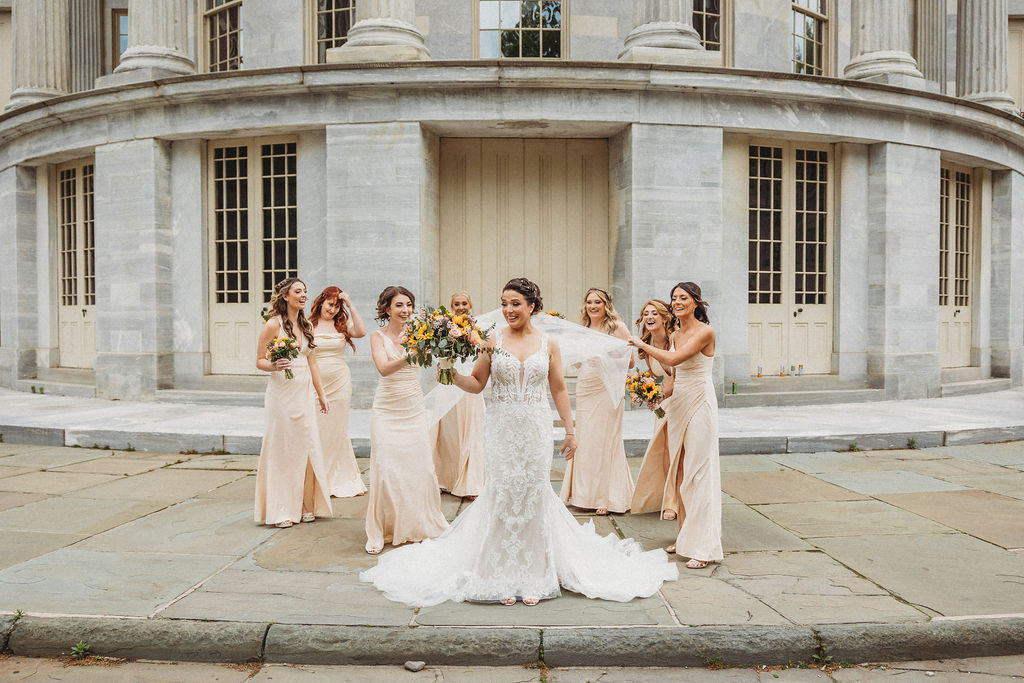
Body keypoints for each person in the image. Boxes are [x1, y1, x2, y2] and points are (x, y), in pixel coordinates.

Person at [360, 278, 678, 606]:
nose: (509, 310)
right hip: (500, 428)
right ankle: (499, 573)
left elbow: (558, 389)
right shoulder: (491, 340)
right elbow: (477, 383)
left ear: (532, 307)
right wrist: (450, 373)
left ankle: (534, 573)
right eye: (505, 303)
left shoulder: (549, 343)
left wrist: (570, 430)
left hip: (536, 429)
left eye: (515, 303)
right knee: (503, 492)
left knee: (532, 494)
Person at [628, 282, 722, 569]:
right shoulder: (676, 333)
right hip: (678, 403)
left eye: (683, 297)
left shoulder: (704, 332)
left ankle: (704, 547)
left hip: (700, 402)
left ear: (696, 302)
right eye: (674, 298)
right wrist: (655, 396)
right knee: (680, 473)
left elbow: (675, 359)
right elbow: (673, 377)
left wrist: (639, 343)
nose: (677, 301)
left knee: (698, 472)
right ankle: (685, 537)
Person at [364, 285, 449, 555]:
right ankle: (382, 530)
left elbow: (431, 360)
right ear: (387, 308)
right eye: (399, 305)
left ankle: (417, 524)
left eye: (409, 305)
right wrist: (410, 355)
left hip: (412, 406)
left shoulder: (419, 333)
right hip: (387, 410)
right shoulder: (377, 337)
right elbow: (384, 368)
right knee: (386, 471)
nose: (406, 310)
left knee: (421, 468)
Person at [254, 277, 333, 528]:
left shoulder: (308, 324)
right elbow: (259, 360)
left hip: (303, 394)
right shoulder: (272, 325)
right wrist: (274, 365)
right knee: (283, 450)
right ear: (285, 296)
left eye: (305, 291)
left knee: (304, 448)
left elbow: (312, 362)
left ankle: (300, 501)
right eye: (298, 291)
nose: (303, 295)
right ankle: (280, 507)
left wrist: (321, 394)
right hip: (281, 395)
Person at [560, 288, 634, 515]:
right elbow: (579, 362)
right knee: (585, 440)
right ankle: (582, 494)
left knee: (605, 440)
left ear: (606, 305)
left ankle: (607, 497)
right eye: (589, 302)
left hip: (606, 388)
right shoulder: (583, 330)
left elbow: (630, 361)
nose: (593, 306)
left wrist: (604, 358)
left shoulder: (617, 328)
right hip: (586, 386)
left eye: (597, 302)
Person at [310, 285, 367, 498]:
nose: (333, 310)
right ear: (321, 302)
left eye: (337, 306)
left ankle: (338, 477)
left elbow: (361, 332)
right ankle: (318, 476)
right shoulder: (308, 325)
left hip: (340, 382)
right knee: (317, 428)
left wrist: (350, 305)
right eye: (330, 305)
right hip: (315, 384)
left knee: (337, 428)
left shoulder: (341, 325)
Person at [629, 300, 683, 520]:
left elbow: (677, 377)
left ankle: (675, 502)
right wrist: (641, 389)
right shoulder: (648, 343)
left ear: (664, 317)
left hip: (681, 397)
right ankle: (667, 498)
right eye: (645, 314)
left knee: (674, 448)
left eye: (654, 313)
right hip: (664, 402)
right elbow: (657, 375)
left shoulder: (675, 339)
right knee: (662, 448)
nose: (649, 317)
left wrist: (660, 395)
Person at [432, 290, 486, 499]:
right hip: (447, 386)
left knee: (472, 430)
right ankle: (445, 478)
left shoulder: (479, 330)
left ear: (470, 305)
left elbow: (483, 355)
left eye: (464, 303)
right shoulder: (443, 327)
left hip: (470, 384)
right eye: (457, 304)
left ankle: (470, 481)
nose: (461, 307)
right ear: (451, 306)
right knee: (448, 434)